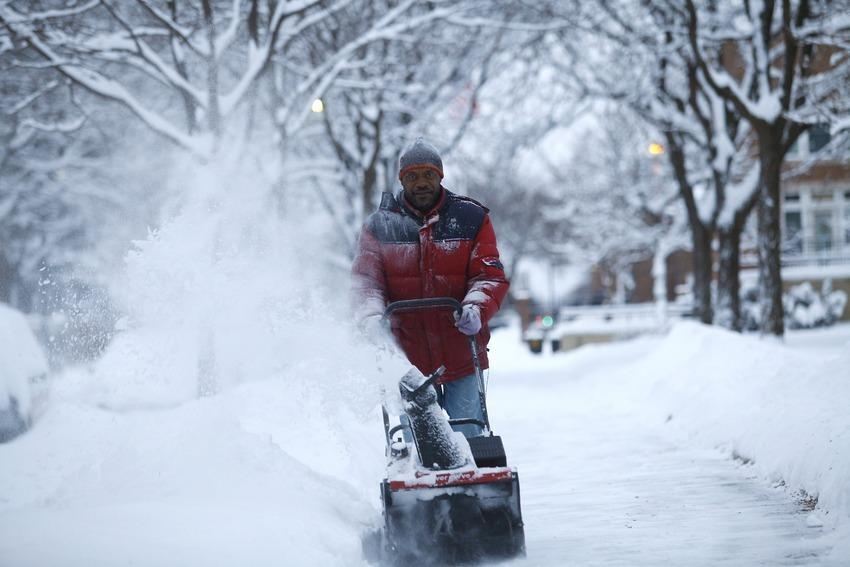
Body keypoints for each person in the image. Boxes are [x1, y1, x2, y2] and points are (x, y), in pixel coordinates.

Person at [352, 138, 509, 438]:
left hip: (461, 354)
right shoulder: (379, 226)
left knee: (470, 437)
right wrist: (371, 317)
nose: (421, 183)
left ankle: (474, 481)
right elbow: (366, 283)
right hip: (406, 361)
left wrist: (475, 307)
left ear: (440, 175)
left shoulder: (471, 219)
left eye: (428, 174)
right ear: (401, 180)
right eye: (412, 176)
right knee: (419, 446)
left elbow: (488, 275)